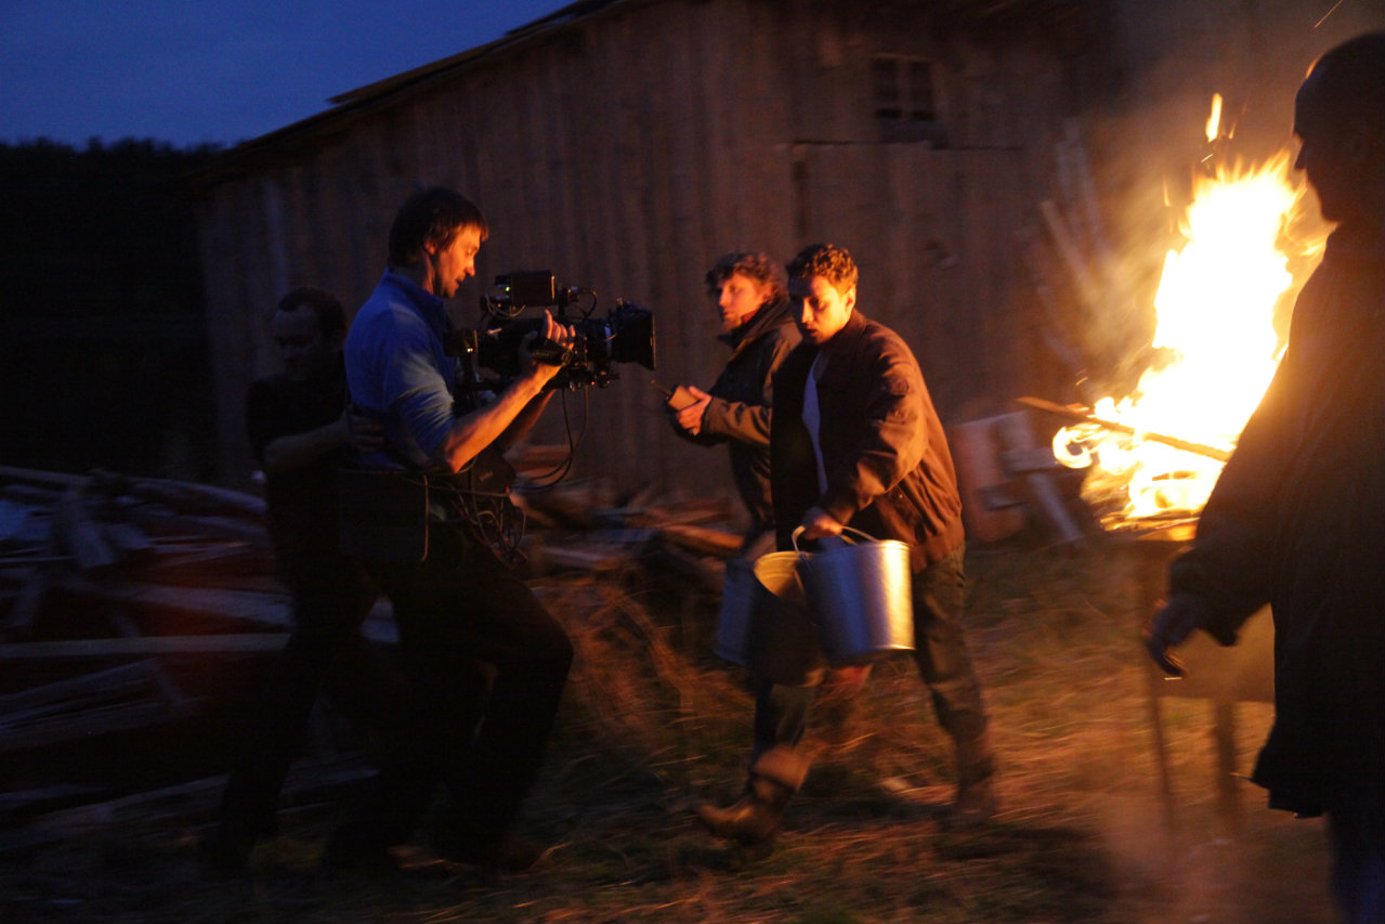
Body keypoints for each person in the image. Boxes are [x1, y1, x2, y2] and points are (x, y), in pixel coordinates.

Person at [1145, 33, 1385, 924]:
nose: (1298, 161)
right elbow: (1280, 446)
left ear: (1365, 141)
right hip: (1351, 669)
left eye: (1310, 138)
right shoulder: (1337, 284)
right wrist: (1205, 583)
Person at [697, 242, 996, 853]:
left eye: (819, 303)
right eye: (801, 301)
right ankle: (762, 806)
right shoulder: (803, 367)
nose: (806, 316)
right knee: (789, 663)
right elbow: (791, 457)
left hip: (920, 537)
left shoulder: (884, 354)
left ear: (849, 299)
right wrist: (791, 540)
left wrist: (835, 506)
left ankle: (980, 785)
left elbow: (897, 438)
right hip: (844, 537)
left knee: (941, 663)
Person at [327, 186, 575, 875]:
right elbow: (449, 449)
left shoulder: (415, 317)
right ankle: (472, 831)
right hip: (432, 537)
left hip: (414, 535)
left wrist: (543, 379)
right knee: (542, 655)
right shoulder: (397, 327)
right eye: (467, 251)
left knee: (449, 695)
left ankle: (365, 846)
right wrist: (523, 385)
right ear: (431, 242)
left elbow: (488, 437)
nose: (472, 269)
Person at [210, 287, 408, 871]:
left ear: (332, 339)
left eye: (301, 342)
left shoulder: (357, 387)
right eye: (283, 342)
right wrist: (338, 435)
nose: (290, 353)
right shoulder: (270, 396)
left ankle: (241, 824)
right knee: (365, 691)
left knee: (291, 691)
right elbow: (275, 455)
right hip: (307, 561)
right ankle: (437, 786)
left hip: (352, 563)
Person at [666, 251, 800, 556]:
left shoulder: (781, 342)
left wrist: (712, 415)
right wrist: (690, 418)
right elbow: (722, 417)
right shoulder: (750, 346)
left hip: (792, 516)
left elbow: (782, 425)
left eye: (734, 290)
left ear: (766, 292)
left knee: (748, 593)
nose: (721, 301)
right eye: (718, 291)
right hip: (771, 516)